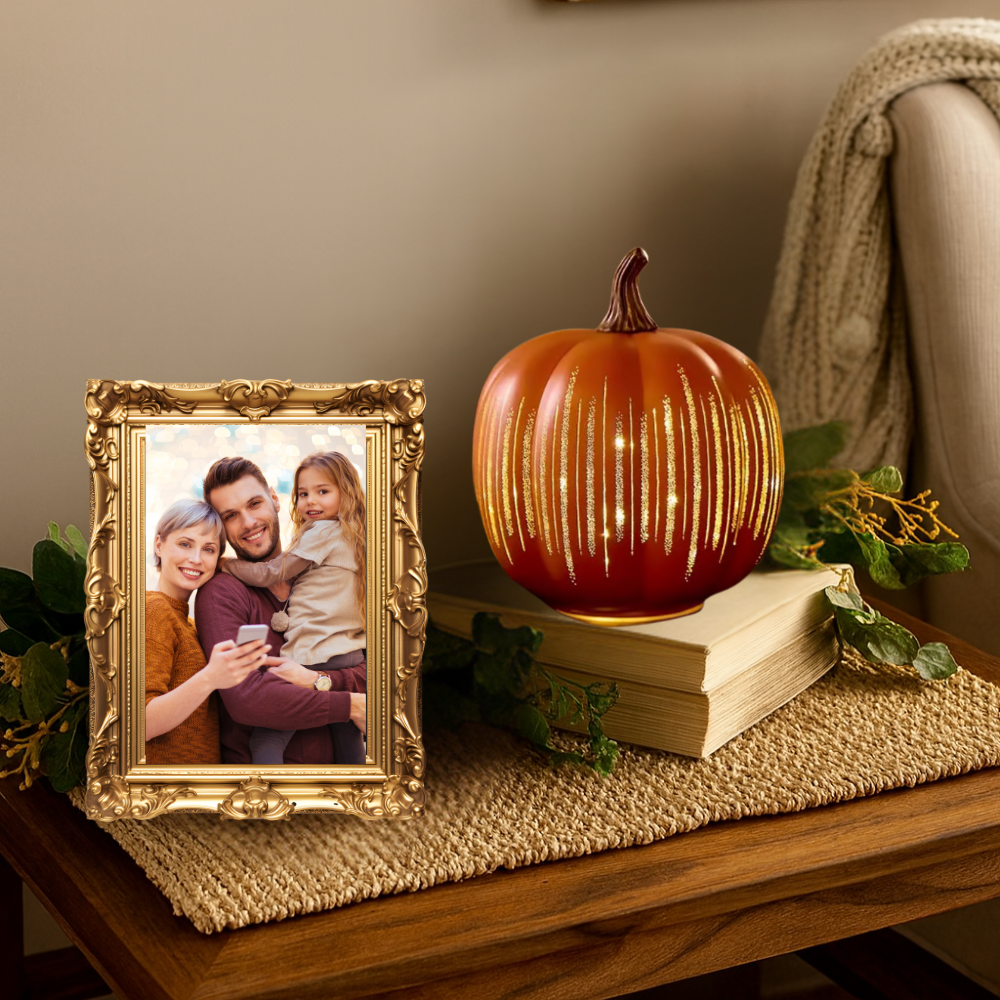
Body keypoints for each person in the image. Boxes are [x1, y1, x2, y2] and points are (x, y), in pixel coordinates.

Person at [194, 456, 367, 766]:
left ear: (275, 499)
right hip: (270, 789)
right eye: (231, 515)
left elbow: (376, 673)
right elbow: (248, 700)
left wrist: (318, 680)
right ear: (221, 528)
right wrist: (350, 704)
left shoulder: (320, 573)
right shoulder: (221, 593)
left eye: (255, 504)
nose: (248, 523)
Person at [145, 498, 270, 765]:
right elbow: (137, 724)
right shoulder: (153, 610)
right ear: (159, 544)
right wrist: (210, 678)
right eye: (185, 544)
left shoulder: (188, 623)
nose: (196, 558)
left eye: (209, 549)